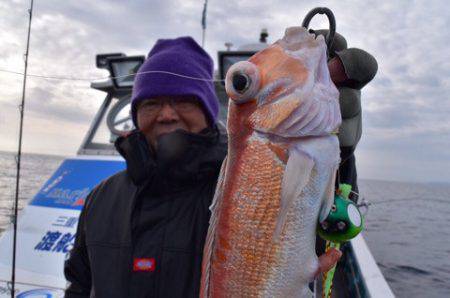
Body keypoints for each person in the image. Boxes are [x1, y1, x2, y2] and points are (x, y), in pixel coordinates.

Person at [64, 36, 340, 298]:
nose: (167, 115)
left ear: (208, 113)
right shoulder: (101, 197)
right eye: (151, 103)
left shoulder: (241, 181)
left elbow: (311, 228)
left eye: (184, 101)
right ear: (135, 115)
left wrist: (342, 159)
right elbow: (79, 285)